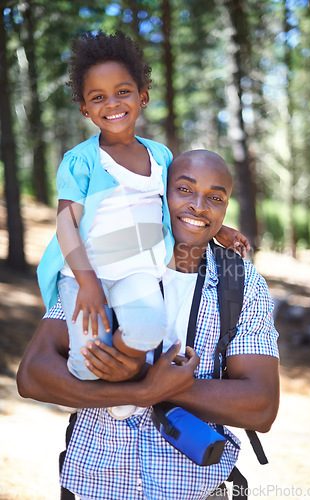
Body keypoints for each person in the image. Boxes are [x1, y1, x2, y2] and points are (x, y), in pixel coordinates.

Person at [17, 149, 280, 500]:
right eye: (184, 190)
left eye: (215, 198)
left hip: (196, 490)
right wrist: (141, 392)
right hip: (96, 486)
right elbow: (33, 375)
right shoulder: (104, 256)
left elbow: (261, 405)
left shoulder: (241, 282)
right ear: (159, 192)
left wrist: (150, 381)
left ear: (225, 207)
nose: (199, 206)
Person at [37, 30, 249, 385]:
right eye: (98, 97)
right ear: (85, 108)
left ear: (143, 96)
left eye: (123, 92)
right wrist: (87, 282)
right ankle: (99, 376)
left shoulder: (160, 156)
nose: (113, 103)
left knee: (149, 331)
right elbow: (65, 224)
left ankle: (123, 370)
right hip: (84, 274)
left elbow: (176, 207)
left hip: (136, 271)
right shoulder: (81, 161)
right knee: (87, 366)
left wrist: (220, 229)